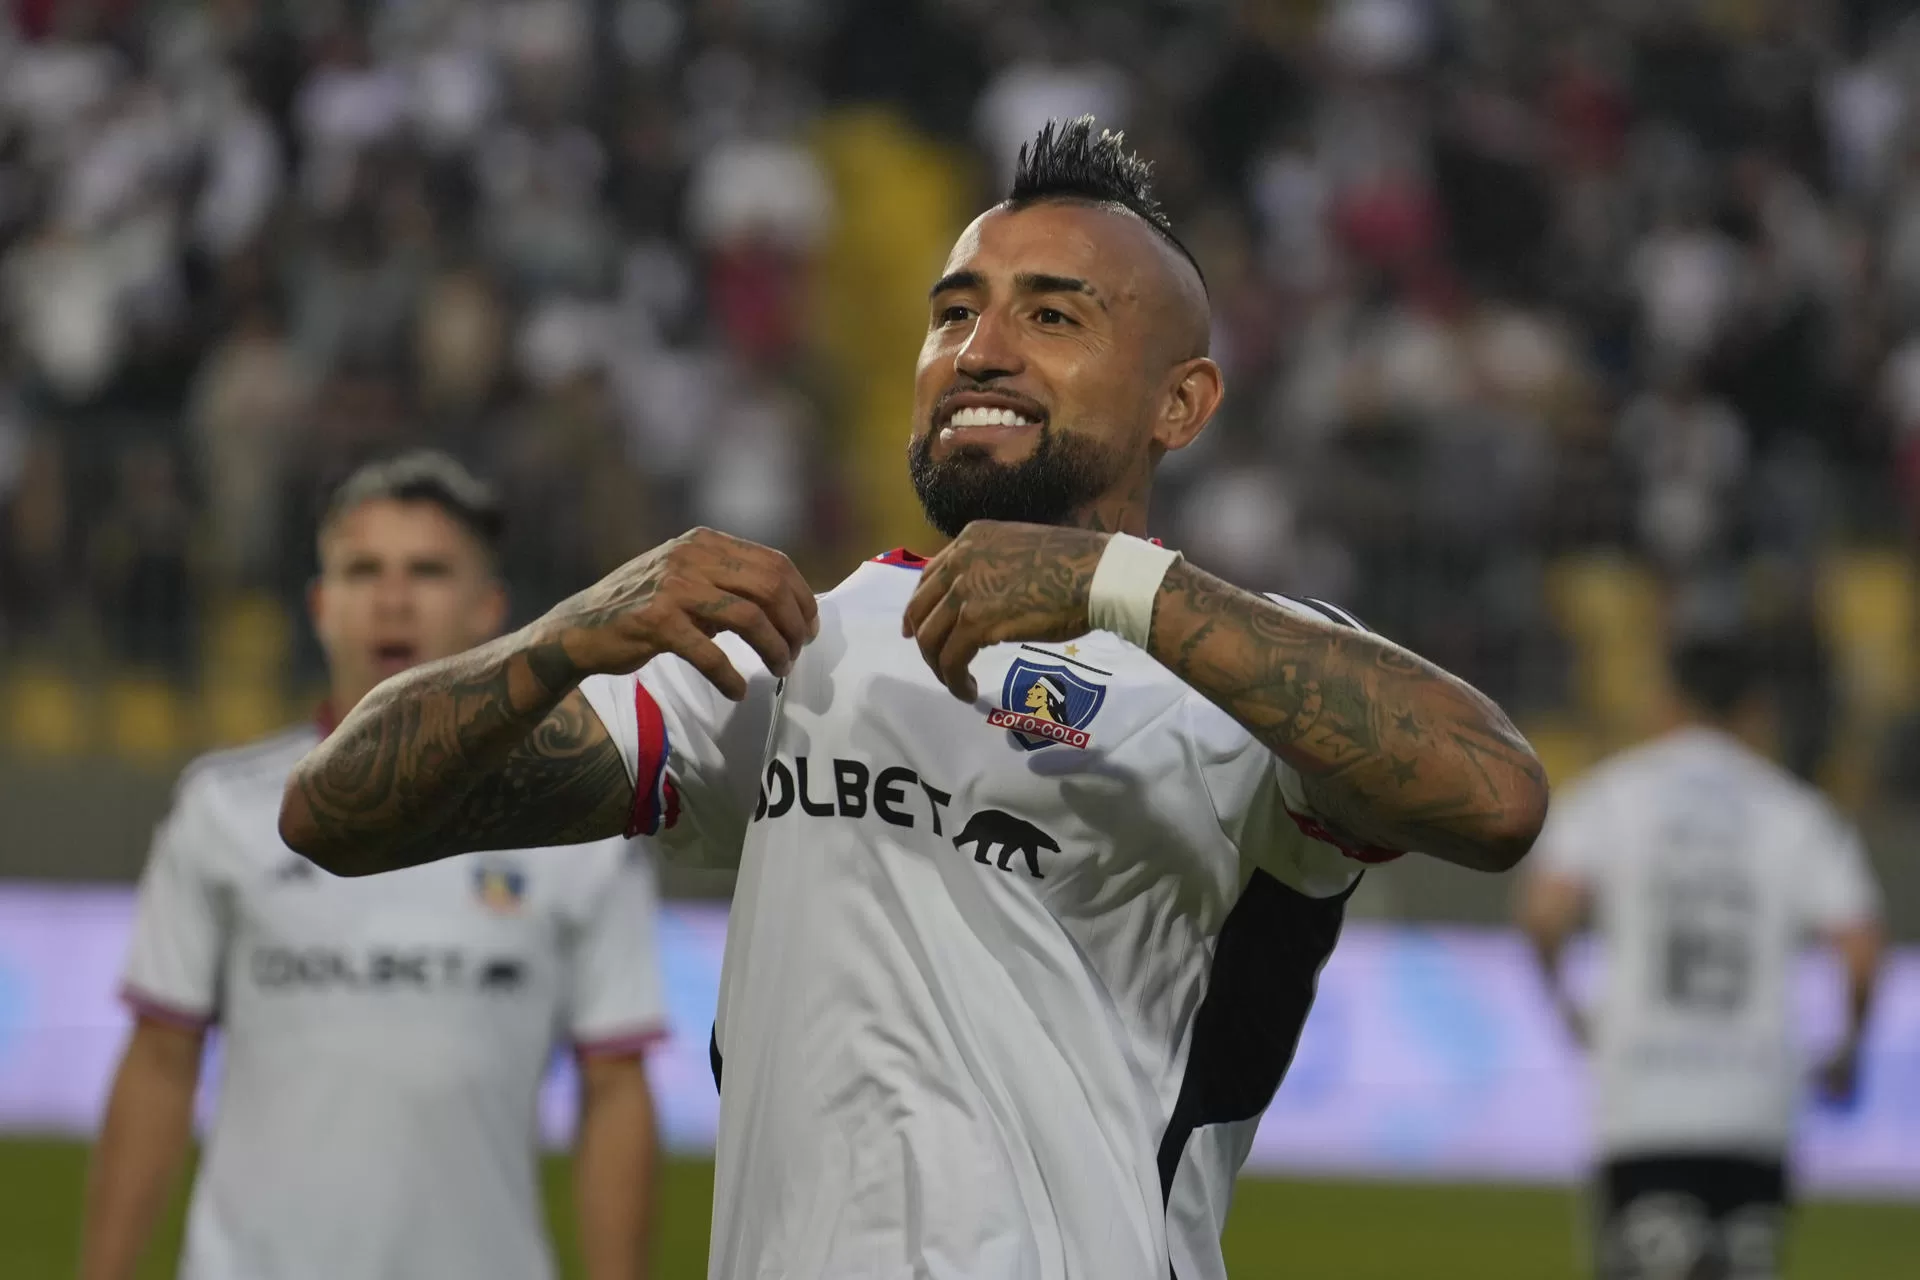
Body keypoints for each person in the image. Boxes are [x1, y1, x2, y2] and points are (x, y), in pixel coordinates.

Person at [280, 119, 1550, 1280]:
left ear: (1183, 402)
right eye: (954, 313)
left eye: (1054, 318)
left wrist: (1117, 585)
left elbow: (1496, 796)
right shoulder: (804, 644)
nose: (979, 351)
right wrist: (563, 638)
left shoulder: (1233, 673)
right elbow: (337, 814)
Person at [81, 453, 667, 1280]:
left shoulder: (584, 828)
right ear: (321, 607)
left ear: (490, 611)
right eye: (363, 570)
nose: (392, 598)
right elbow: (159, 1060)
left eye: (427, 570)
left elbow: (614, 1087)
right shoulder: (223, 806)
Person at [1519, 629, 1884, 1280]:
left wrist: (1567, 1006)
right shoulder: (1796, 812)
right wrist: (1849, 1046)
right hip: (1757, 1098)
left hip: (1643, 1095)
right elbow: (1859, 948)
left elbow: (1546, 915)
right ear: (1755, 711)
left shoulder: (1614, 796)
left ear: (1666, 701)